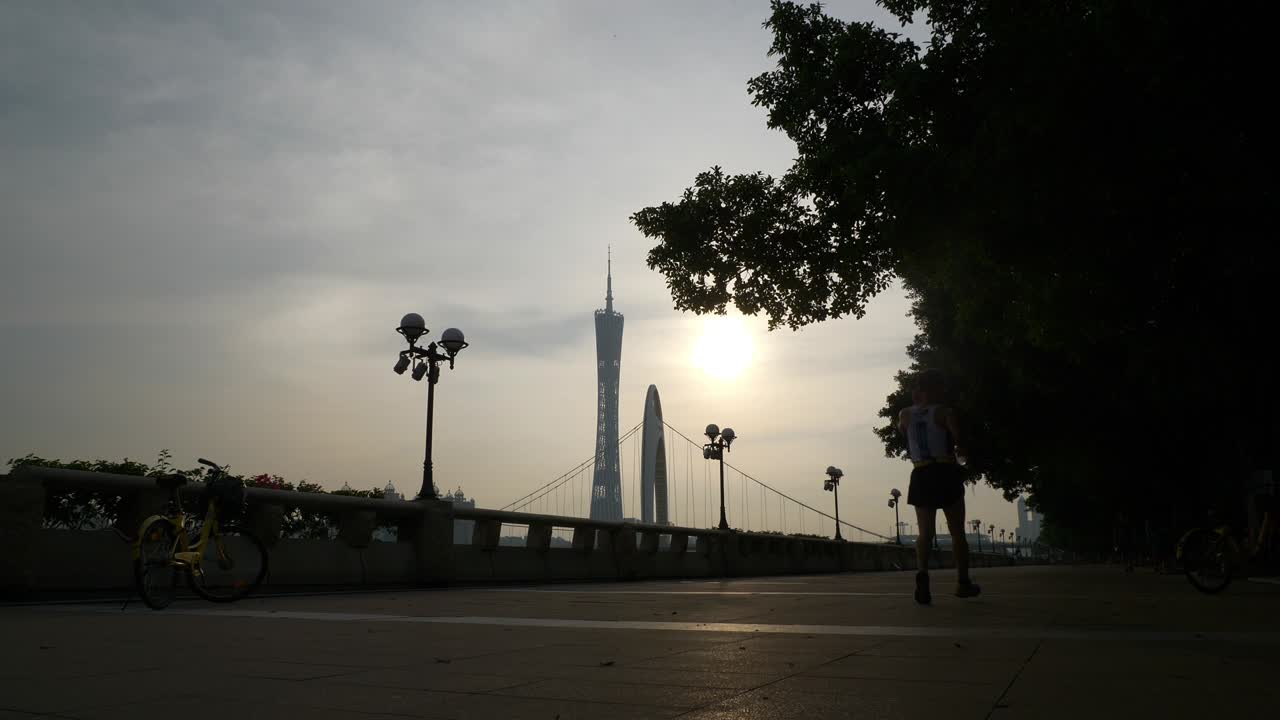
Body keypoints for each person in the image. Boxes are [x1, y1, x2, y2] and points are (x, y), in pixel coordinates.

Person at [897, 369, 981, 604]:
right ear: (938, 389)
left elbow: (905, 434)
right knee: (957, 532)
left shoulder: (904, 414)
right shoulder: (945, 412)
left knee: (925, 533)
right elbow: (960, 443)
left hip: (920, 472)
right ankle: (962, 583)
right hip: (945, 471)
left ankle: (922, 574)